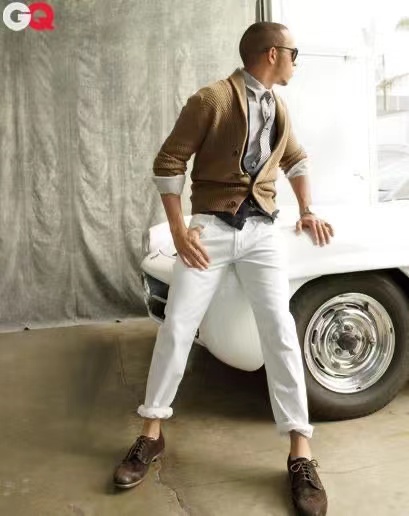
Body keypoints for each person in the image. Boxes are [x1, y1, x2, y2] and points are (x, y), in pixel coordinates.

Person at [113, 21, 334, 516]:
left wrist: (307, 210)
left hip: (263, 233)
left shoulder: (278, 106)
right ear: (273, 53)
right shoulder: (211, 99)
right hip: (209, 230)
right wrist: (178, 230)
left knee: (280, 331)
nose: (296, 62)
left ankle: (300, 451)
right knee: (178, 326)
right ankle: (151, 432)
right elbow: (169, 162)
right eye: (294, 53)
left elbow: (297, 159)